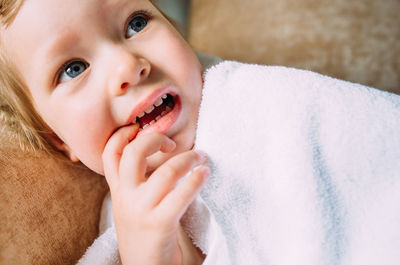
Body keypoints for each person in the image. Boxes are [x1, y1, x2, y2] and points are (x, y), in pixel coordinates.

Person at [0, 0, 210, 264]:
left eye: (137, 24)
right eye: (73, 69)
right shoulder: (125, 233)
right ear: (59, 139)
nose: (127, 67)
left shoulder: (256, 99)